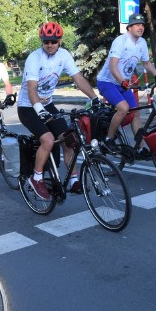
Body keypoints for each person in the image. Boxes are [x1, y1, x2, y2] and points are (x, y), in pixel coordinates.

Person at [17, 22, 101, 200]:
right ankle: (36, 177)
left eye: (53, 41)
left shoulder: (64, 56)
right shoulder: (34, 58)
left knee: (69, 139)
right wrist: (39, 109)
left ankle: (73, 179)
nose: (49, 45)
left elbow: (78, 78)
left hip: (47, 104)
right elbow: (32, 89)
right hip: (28, 107)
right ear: (42, 41)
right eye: (46, 41)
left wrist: (94, 98)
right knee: (47, 140)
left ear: (60, 41)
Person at [96, 13, 156, 157]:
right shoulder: (121, 41)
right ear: (129, 28)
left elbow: (146, 63)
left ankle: (140, 148)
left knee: (136, 112)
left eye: (142, 25)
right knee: (123, 108)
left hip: (123, 84)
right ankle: (109, 139)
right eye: (137, 25)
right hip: (107, 82)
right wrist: (122, 81)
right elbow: (113, 65)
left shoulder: (142, 43)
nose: (141, 27)